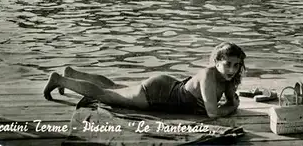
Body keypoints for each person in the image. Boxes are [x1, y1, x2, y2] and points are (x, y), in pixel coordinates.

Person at [44, 42, 246, 118]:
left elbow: (229, 100)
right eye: (227, 63)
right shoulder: (209, 74)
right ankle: (60, 80)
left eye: (236, 65)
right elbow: (213, 113)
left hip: (167, 86)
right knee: (106, 95)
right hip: (158, 94)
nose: (232, 69)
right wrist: (233, 107)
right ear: (217, 62)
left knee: (113, 86)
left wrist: (231, 103)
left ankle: (72, 73)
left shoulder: (227, 77)